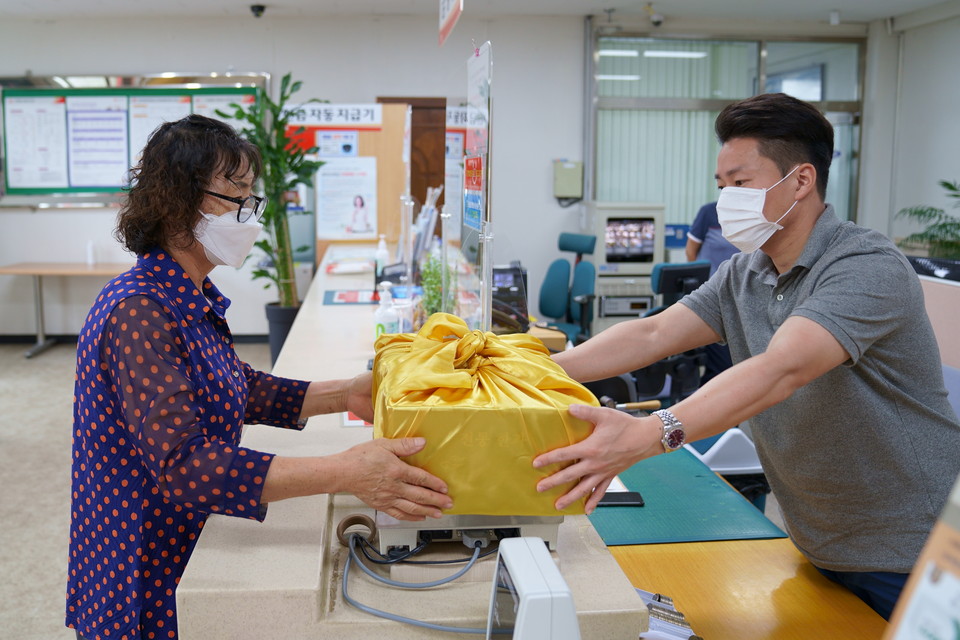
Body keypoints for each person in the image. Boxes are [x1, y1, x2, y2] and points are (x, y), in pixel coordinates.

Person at [533, 93, 960, 620]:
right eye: (720, 187)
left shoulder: (866, 265)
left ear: (800, 181)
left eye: (740, 183)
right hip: (822, 541)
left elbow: (781, 370)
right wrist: (531, 369)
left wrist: (647, 434)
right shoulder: (746, 271)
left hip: (919, 551)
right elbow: (653, 334)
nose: (724, 201)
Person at [65, 115, 452, 640]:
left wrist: (346, 392)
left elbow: (235, 386)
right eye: (236, 195)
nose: (249, 214)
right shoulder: (138, 310)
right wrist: (343, 471)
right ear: (177, 199)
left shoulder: (186, 293)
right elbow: (183, 464)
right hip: (144, 557)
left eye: (252, 197)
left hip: (189, 533)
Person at [685, 201, 739, 383]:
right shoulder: (709, 213)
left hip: (743, 297)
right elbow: (691, 252)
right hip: (715, 298)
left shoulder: (757, 215)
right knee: (720, 367)